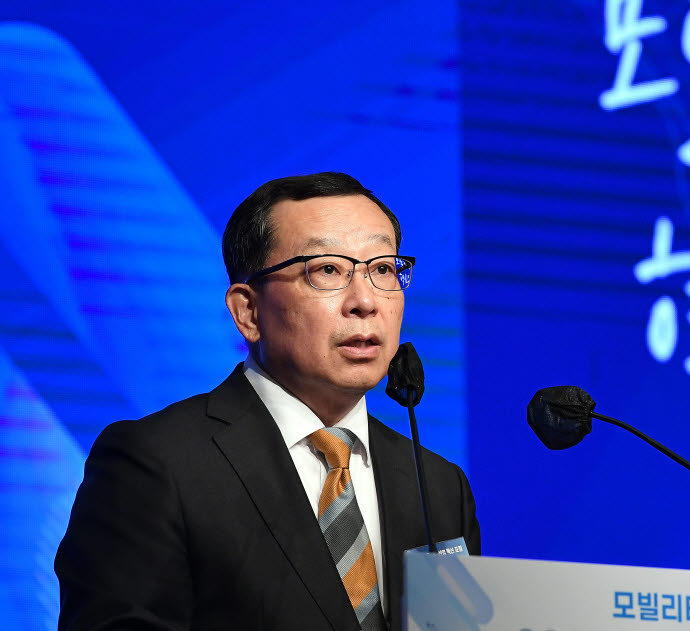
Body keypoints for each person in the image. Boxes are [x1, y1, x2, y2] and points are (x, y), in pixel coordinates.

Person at [55, 172, 480, 631]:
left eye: (382, 269)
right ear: (248, 312)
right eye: (327, 270)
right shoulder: (156, 463)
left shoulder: (438, 485)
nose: (365, 301)